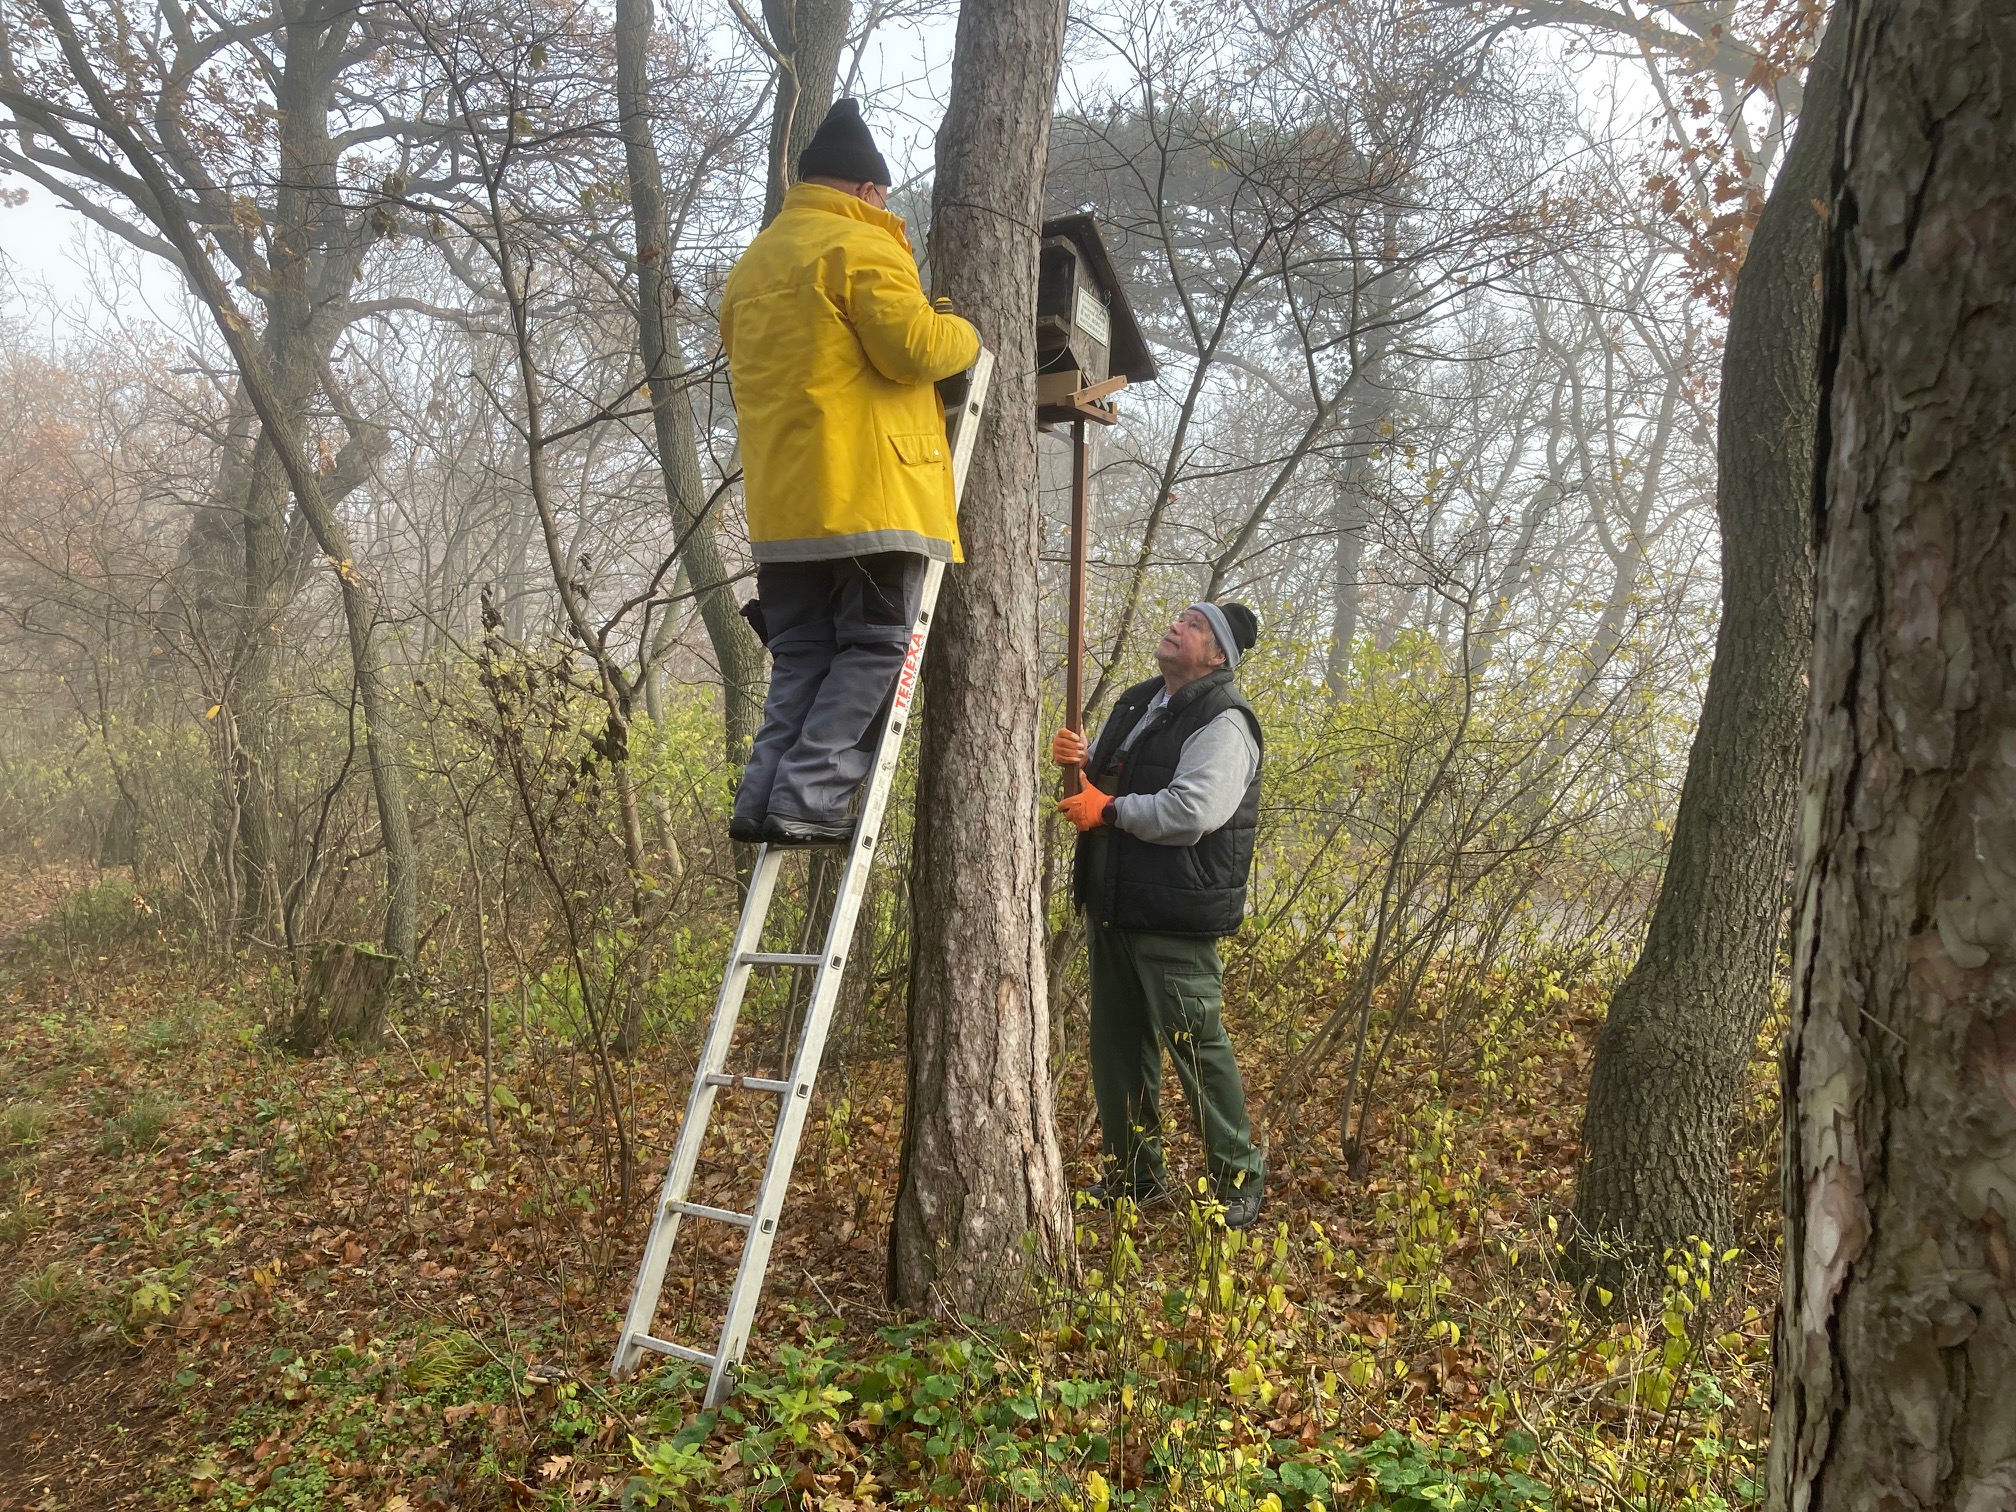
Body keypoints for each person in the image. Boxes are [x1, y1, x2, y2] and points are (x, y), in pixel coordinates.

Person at [720, 99, 980, 845]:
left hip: (783, 507)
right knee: (874, 648)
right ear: (866, 191)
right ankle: (809, 796)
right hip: (866, 499)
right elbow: (915, 349)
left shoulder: (754, 265)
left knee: (802, 655)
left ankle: (762, 796)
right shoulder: (860, 246)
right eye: (885, 196)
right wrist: (963, 327)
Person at [1051, 602, 1267, 1229]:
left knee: (1194, 1045)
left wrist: (1109, 811)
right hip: (1113, 901)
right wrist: (1080, 762)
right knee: (1119, 1049)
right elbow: (1106, 784)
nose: (1178, 626)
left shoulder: (1225, 721)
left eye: (1196, 626)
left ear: (1218, 655)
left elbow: (1191, 811)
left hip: (1174, 912)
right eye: (1179, 618)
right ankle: (1133, 1177)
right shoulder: (1140, 699)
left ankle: (1237, 1179)